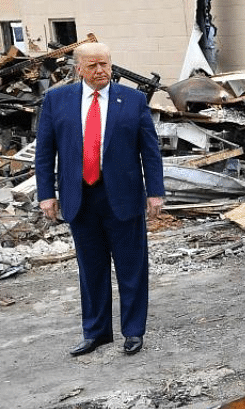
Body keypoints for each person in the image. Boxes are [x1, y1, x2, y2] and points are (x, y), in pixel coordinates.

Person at [35, 42, 165, 357]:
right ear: (78, 68)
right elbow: (44, 151)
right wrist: (46, 194)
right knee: (90, 269)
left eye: (105, 64)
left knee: (131, 268)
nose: (101, 71)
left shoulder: (132, 100)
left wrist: (156, 192)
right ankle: (95, 333)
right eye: (93, 65)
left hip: (122, 196)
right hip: (80, 197)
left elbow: (150, 150)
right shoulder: (57, 100)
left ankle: (133, 332)